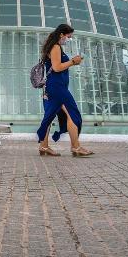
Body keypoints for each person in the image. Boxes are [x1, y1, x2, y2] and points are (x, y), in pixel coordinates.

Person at [36, 24, 94, 157]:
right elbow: (56, 67)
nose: (68, 39)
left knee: (49, 117)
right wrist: (73, 61)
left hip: (50, 87)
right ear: (61, 34)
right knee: (72, 114)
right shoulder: (56, 47)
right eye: (68, 36)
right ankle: (76, 147)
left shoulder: (51, 46)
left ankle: (44, 147)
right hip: (58, 88)